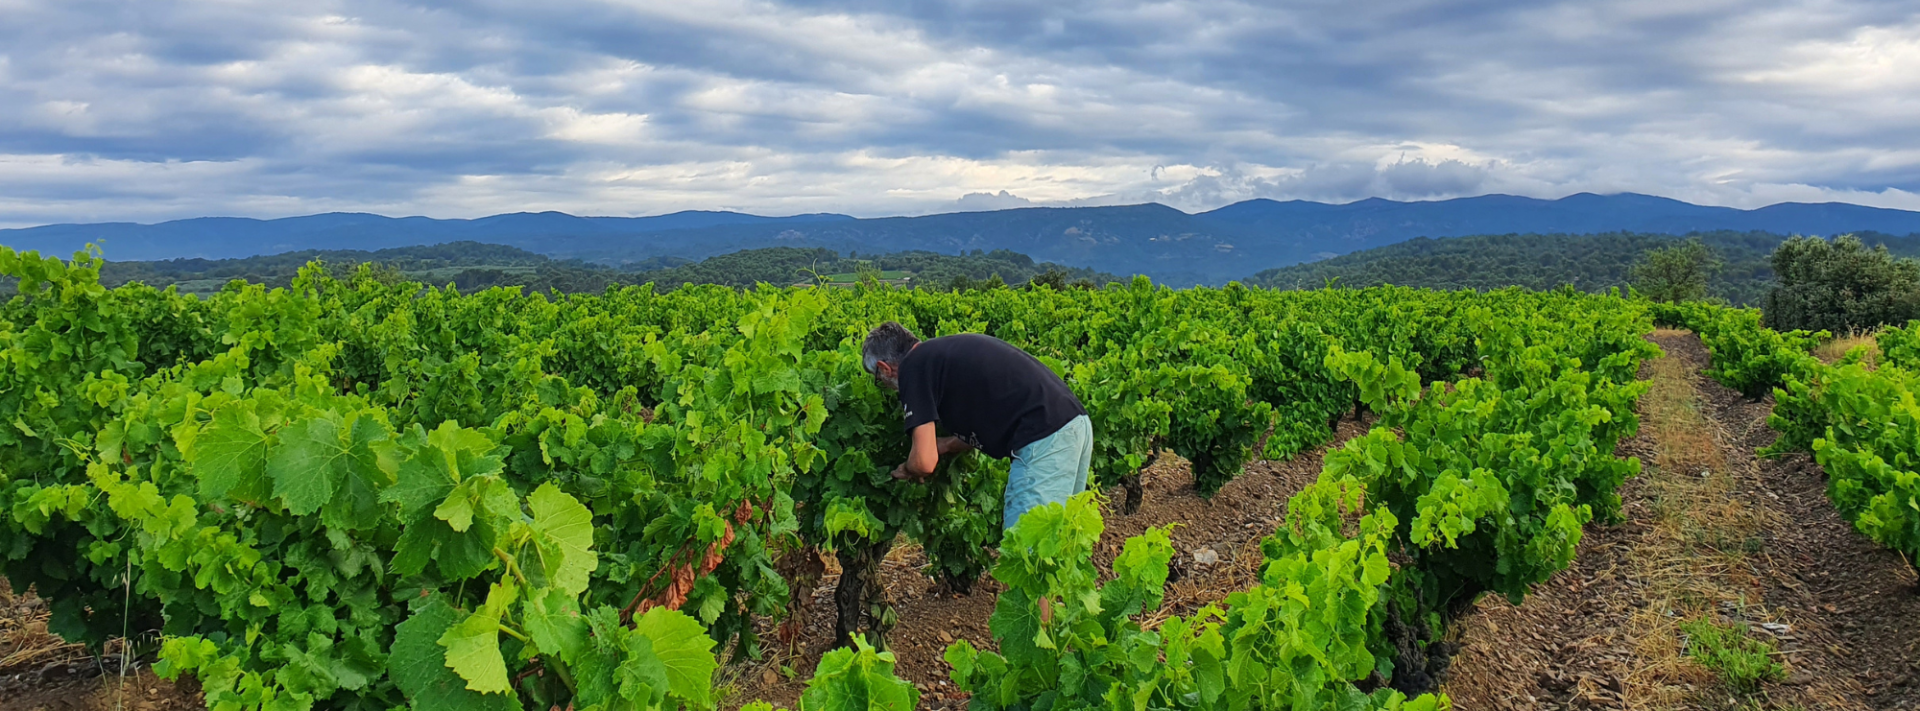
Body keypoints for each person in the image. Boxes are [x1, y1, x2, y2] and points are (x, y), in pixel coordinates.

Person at [861, 322, 1093, 530]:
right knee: (1058, 541)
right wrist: (947, 445)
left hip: (1046, 439)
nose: (886, 386)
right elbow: (988, 415)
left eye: (879, 379)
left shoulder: (913, 368)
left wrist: (908, 468)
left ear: (884, 368)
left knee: (1026, 553)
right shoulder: (940, 357)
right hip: (1074, 426)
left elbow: (924, 462)